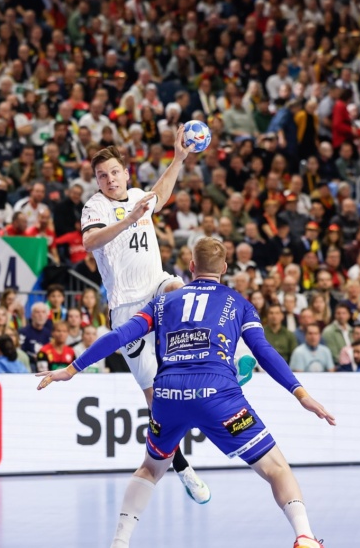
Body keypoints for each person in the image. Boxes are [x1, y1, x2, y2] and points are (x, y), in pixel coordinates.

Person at [36, 237, 333, 548]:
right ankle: (304, 537)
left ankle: (120, 542)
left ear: (191, 267)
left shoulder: (163, 303)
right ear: (225, 268)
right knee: (277, 469)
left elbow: (120, 335)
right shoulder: (239, 303)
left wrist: (72, 369)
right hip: (218, 396)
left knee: (150, 468)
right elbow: (264, 351)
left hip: (168, 396)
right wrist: (301, 394)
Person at [81, 131, 250, 503]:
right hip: (126, 307)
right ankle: (184, 470)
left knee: (183, 290)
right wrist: (129, 220)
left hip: (156, 285)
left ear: (126, 173)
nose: (109, 179)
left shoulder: (138, 197)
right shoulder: (95, 207)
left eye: (114, 172)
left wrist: (178, 158)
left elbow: (159, 193)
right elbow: (89, 242)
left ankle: (235, 359)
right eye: (102, 175)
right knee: (157, 401)